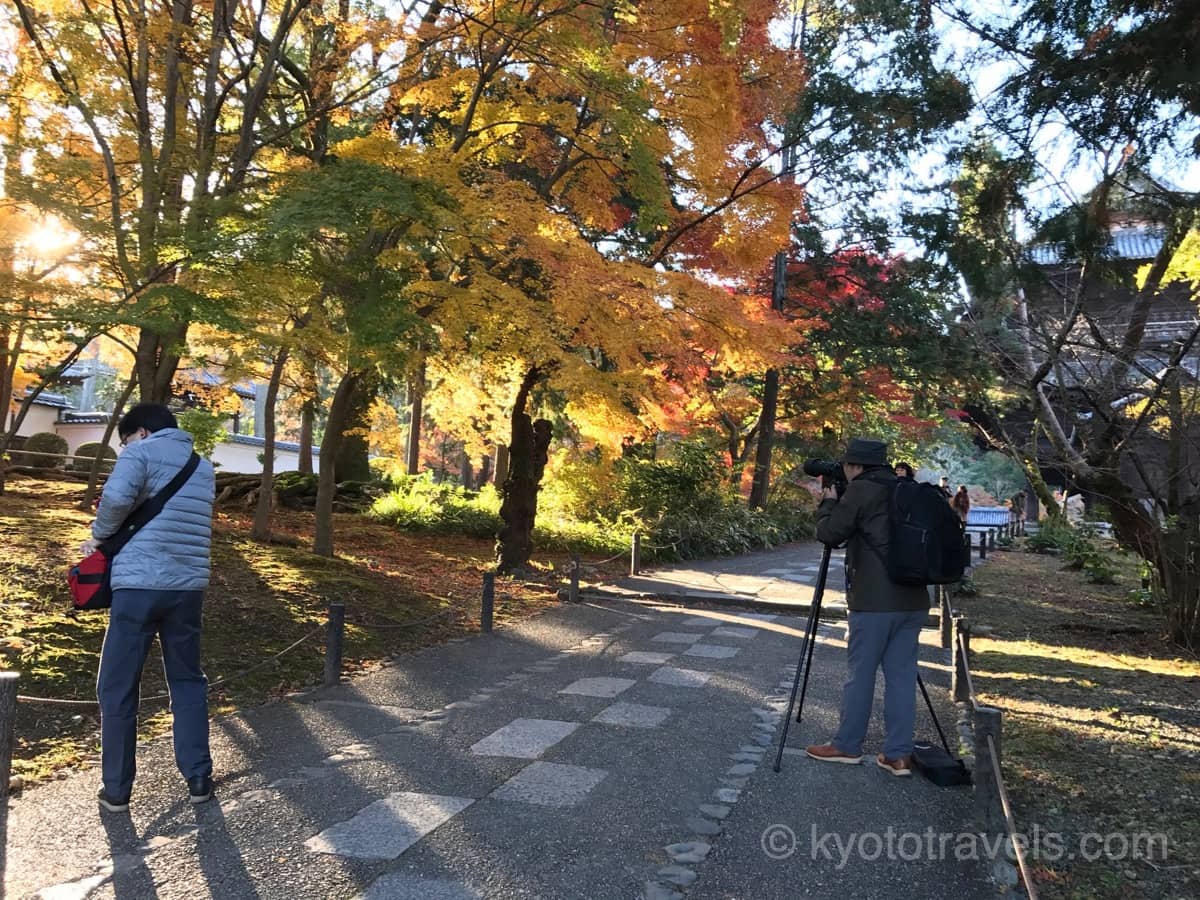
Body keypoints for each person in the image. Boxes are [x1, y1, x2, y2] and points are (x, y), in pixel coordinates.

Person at [80, 403, 216, 812]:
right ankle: (198, 776)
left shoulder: (139, 454)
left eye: (124, 441)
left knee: (117, 686)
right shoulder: (203, 466)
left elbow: (117, 497)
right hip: (188, 589)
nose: (124, 448)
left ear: (140, 433)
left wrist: (99, 537)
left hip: (139, 585)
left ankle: (117, 789)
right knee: (187, 680)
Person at [806, 438, 931, 777]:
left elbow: (831, 533)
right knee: (902, 677)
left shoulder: (861, 491)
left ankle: (847, 746)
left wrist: (828, 503)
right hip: (914, 600)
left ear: (856, 466)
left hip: (875, 602)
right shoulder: (906, 488)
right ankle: (898, 755)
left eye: (847, 465)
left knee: (860, 675)